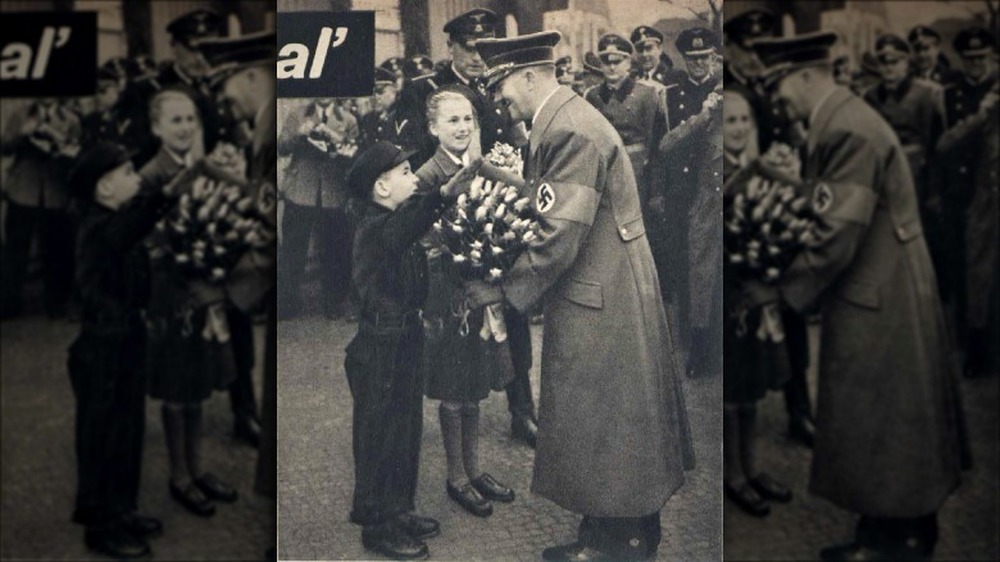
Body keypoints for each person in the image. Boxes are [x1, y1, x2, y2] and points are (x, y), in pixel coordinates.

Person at [471, 30, 695, 561]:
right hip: (609, 282)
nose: (499, 97)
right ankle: (606, 533)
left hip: (601, 290)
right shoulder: (568, 118)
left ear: (529, 75)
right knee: (613, 415)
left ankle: (622, 544)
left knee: (610, 415)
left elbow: (558, 235)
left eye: (502, 84)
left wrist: (501, 290)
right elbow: (560, 203)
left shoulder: (568, 129)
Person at [750, 31, 969, 561]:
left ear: (805, 76)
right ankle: (889, 527)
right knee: (891, 412)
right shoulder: (845, 117)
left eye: (779, 85)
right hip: (886, 282)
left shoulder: (846, 128)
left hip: (879, 291)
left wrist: (779, 291)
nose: (777, 99)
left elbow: (835, 234)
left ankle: (901, 538)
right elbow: (838, 205)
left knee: (889, 413)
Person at [403, 7, 538, 448]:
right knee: (459, 323)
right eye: (470, 48)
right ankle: (457, 415)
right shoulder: (427, 90)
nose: (479, 57)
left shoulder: (502, 86)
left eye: (485, 48)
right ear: (452, 48)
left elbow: (519, 145)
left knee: (512, 309)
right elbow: (412, 162)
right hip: (452, 220)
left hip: (499, 215)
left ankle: (523, 410)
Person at [344, 141, 477, 559]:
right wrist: (443, 194)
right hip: (380, 346)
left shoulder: (392, 220)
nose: (413, 177)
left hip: (402, 340)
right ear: (381, 188)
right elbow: (404, 231)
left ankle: (398, 509)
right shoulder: (376, 225)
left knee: (405, 429)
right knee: (378, 434)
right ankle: (376, 525)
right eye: (403, 173)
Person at [67, 142, 174, 559]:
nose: (137, 178)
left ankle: (122, 509)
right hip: (102, 350)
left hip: (125, 344)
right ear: (105, 187)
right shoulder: (99, 227)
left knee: (128, 432)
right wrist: (165, 194)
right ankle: (101, 525)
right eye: (129, 173)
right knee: (102, 437)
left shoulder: (114, 220)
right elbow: (130, 229)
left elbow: (135, 227)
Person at [197, 30, 280, 554]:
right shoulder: (264, 123)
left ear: (253, 75)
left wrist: (224, 286)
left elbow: (272, 231)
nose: (223, 103)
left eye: (226, 88)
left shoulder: (272, 127)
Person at [415, 86, 516, 519]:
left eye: (467, 120)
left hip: (478, 290)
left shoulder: (480, 168)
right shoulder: (426, 176)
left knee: (474, 384)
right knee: (453, 390)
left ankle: (474, 470)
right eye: (452, 120)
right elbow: (420, 240)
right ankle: (456, 475)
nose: (461, 127)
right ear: (434, 127)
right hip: (447, 294)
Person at [140, 89, 239, 519]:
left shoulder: (203, 169)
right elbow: (146, 244)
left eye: (189, 120)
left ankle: (197, 468)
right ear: (157, 127)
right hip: (170, 297)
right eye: (175, 120)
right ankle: (179, 475)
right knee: (176, 391)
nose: (184, 127)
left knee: (198, 386)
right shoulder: (149, 176)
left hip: (203, 294)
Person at [724, 7, 815, 448]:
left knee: (790, 308)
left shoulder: (774, 87)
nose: (754, 57)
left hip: (776, 205)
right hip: (742, 211)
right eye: (747, 48)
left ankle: (800, 406)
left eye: (761, 49)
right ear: (731, 48)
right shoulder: (731, 91)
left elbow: (796, 138)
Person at [720, 90, 793, 518]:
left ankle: (753, 465)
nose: (740, 128)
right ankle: (734, 475)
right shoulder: (722, 171)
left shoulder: (755, 168)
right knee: (734, 388)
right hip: (730, 294)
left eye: (745, 119)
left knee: (752, 387)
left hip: (755, 291)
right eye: (730, 121)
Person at [936, 81, 999, 379]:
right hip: (985, 207)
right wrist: (981, 115)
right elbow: (945, 144)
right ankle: (977, 351)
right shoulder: (986, 116)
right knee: (979, 281)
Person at [277, 97, 358, 320]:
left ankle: (333, 302)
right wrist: (299, 134)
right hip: (300, 191)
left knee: (335, 250)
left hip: (333, 193)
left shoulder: (348, 119)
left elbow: (352, 155)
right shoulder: (298, 114)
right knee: (293, 250)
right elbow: (281, 147)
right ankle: (286, 303)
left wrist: (338, 147)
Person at [1, 97, 81, 319]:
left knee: (57, 250)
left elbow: (75, 151)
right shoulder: (21, 114)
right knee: (16, 250)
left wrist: (58, 141)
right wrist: (22, 133)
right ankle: (9, 302)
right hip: (24, 190)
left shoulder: (70, 118)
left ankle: (56, 302)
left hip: (55, 191)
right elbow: (5, 147)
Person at [584, 33, 666, 205]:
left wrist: (656, 191)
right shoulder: (592, 96)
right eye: (607, 62)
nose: (612, 67)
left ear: (628, 63)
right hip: (604, 177)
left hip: (637, 175)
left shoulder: (646, 95)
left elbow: (656, 146)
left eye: (617, 61)